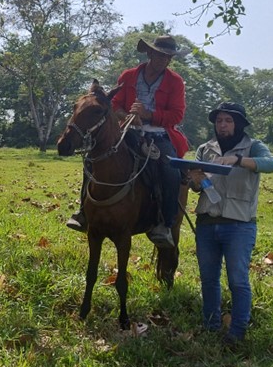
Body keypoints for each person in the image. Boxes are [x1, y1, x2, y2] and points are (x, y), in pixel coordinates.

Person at [67, 35, 189, 248]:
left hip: (159, 135)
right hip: (127, 131)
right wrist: (125, 116)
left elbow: (177, 115)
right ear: (150, 53)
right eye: (161, 55)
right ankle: (83, 212)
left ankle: (165, 224)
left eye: (168, 57)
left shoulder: (175, 81)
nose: (164, 60)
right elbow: (113, 104)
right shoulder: (129, 75)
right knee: (91, 159)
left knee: (170, 170)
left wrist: (149, 114)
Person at [187, 102, 273, 348]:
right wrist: (194, 179)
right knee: (208, 278)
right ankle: (210, 325)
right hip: (207, 222)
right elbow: (197, 185)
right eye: (219, 121)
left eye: (228, 120)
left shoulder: (253, 146)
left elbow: (272, 164)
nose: (223, 125)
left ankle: (237, 332)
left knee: (238, 280)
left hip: (239, 225)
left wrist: (238, 160)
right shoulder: (205, 149)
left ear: (238, 123)